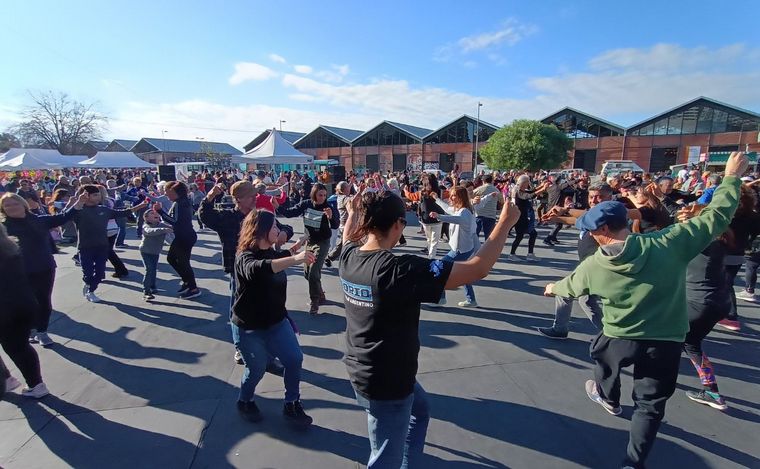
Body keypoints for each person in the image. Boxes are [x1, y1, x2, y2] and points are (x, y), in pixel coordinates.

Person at [543, 152, 747, 469]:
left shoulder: (594, 265)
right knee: (650, 406)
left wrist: (551, 288)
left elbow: (567, 287)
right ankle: (633, 463)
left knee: (600, 354)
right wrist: (732, 177)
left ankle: (608, 396)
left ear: (602, 231)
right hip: (665, 339)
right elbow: (716, 217)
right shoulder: (667, 243)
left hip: (621, 335)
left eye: (590, 230)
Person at [339, 188, 521, 468]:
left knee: (419, 411)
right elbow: (477, 269)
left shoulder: (349, 256)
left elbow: (347, 235)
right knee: (383, 456)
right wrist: (505, 222)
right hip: (387, 383)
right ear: (399, 225)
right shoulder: (398, 270)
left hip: (365, 366)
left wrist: (352, 214)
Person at [233, 210, 315, 426]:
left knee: (294, 359)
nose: (279, 231)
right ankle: (245, 400)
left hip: (277, 322)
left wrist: (298, 246)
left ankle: (292, 403)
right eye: (275, 227)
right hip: (249, 327)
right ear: (260, 230)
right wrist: (295, 258)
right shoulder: (244, 256)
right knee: (257, 369)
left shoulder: (271, 251)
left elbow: (279, 257)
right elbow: (258, 269)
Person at [199, 181, 293, 367]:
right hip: (239, 272)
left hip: (263, 269)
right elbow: (204, 215)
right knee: (239, 310)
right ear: (239, 199)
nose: (255, 198)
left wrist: (284, 232)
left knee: (264, 309)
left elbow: (285, 227)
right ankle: (240, 348)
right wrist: (210, 195)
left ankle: (266, 350)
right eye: (251, 195)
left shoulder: (259, 216)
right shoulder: (226, 218)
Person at [0, 192, 86, 346]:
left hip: (43, 267)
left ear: (23, 205)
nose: (12, 207)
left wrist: (78, 204)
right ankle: (31, 328)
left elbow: (63, 217)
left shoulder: (38, 221)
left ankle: (42, 331)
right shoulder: (3, 227)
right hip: (16, 272)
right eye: (7, 205)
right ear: (3, 209)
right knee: (26, 303)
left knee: (43, 301)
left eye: (15, 204)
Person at [72, 185, 147, 302]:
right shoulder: (78, 211)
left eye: (99, 194)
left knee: (100, 273)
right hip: (85, 247)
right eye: (95, 195)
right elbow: (65, 214)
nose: (99, 197)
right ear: (86, 196)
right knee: (88, 273)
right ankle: (88, 285)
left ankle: (90, 290)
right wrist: (78, 202)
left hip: (102, 246)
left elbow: (122, 212)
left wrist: (139, 206)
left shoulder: (103, 209)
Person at [0, 223, 49, 398]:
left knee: (16, 347)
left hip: (6, 308)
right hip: (23, 303)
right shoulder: (11, 248)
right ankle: (35, 383)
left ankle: (8, 379)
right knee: (20, 346)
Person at [278, 182, 333, 314]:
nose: (323, 198)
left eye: (325, 195)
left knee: (314, 272)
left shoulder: (328, 206)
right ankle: (320, 293)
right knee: (307, 274)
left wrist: (331, 216)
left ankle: (315, 302)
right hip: (310, 241)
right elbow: (290, 213)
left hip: (323, 242)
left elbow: (335, 222)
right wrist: (278, 207)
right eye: (320, 195)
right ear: (314, 194)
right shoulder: (306, 204)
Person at [428, 186, 487, 307]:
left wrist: (438, 216)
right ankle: (471, 300)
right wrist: (437, 199)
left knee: (439, 269)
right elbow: (448, 209)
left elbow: (456, 219)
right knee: (462, 274)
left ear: (461, 197)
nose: (451, 197)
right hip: (463, 249)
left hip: (460, 250)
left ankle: (440, 299)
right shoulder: (460, 209)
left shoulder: (464, 212)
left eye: (453, 195)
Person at [154, 181, 200, 299]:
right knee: (171, 258)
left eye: (168, 192)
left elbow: (175, 220)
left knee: (183, 263)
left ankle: (193, 288)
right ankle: (187, 282)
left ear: (175, 192)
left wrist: (160, 211)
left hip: (185, 236)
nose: (166, 195)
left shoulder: (179, 203)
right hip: (183, 235)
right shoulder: (182, 201)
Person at [509, 175, 548, 261]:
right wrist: (542, 189)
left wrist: (541, 186)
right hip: (519, 217)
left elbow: (530, 192)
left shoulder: (519, 189)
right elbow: (529, 196)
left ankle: (529, 254)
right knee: (520, 236)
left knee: (530, 234)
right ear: (523, 183)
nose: (528, 185)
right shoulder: (517, 190)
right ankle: (512, 254)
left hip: (523, 216)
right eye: (527, 183)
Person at [139, 210, 173, 301]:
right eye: (152, 213)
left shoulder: (161, 224)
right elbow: (149, 231)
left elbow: (172, 227)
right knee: (149, 269)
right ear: (146, 218)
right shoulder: (146, 226)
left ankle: (153, 286)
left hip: (155, 251)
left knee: (153, 269)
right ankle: (146, 291)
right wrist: (164, 230)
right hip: (145, 251)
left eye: (156, 213)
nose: (156, 214)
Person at [472, 174, 503, 241]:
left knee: (475, 235)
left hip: (479, 214)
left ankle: (475, 249)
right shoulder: (496, 190)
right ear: (492, 181)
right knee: (488, 237)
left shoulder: (479, 189)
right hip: (491, 215)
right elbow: (502, 201)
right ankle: (487, 250)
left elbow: (470, 196)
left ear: (483, 181)